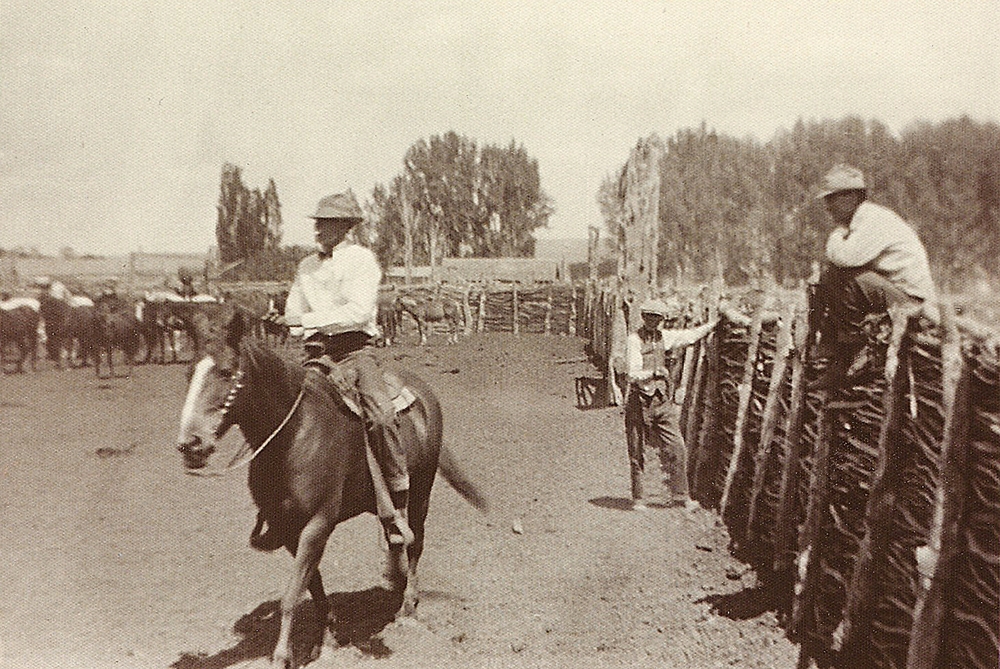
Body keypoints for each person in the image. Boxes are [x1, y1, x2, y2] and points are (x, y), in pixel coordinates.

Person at [272, 189, 413, 549]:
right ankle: (277, 504)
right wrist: (283, 321)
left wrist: (304, 319)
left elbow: (358, 313)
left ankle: (397, 503)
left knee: (381, 416)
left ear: (344, 226)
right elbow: (293, 313)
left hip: (355, 352)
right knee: (280, 410)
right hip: (316, 355)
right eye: (317, 222)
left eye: (325, 222)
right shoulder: (306, 266)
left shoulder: (361, 260)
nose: (317, 228)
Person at [808, 164, 937, 390]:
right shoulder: (861, 221)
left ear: (853, 196)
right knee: (829, 279)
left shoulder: (874, 220)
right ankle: (833, 355)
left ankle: (855, 352)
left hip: (912, 305)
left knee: (844, 276)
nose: (827, 207)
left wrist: (836, 234)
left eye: (832, 198)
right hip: (895, 298)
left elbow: (846, 257)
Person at [625, 298, 714, 511]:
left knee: (677, 447)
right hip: (639, 402)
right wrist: (654, 373)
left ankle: (681, 495)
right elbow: (631, 373)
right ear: (643, 317)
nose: (653, 322)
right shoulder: (634, 340)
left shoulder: (664, 337)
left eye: (657, 318)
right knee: (637, 451)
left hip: (661, 401)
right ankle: (638, 498)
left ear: (662, 320)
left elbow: (689, 336)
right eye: (649, 317)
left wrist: (714, 324)